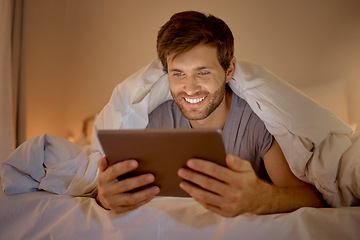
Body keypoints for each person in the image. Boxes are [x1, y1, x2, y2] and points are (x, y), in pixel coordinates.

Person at [96, 11, 324, 217]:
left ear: (229, 71)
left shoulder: (257, 120)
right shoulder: (155, 120)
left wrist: (260, 198)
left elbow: (312, 198)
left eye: (202, 72)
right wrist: (104, 199)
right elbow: (119, 190)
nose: (190, 88)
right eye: (178, 74)